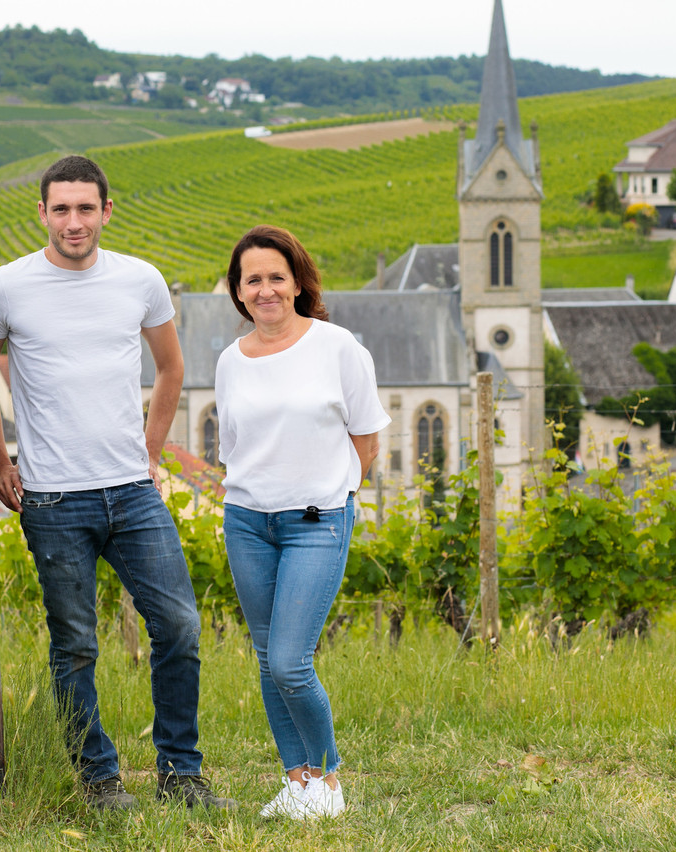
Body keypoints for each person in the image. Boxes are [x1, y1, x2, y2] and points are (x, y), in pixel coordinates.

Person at [0, 155, 233, 811]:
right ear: (40, 213)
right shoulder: (6, 287)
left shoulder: (140, 280)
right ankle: (98, 782)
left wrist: (149, 452)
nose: (73, 221)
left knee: (178, 626)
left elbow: (171, 370)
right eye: (60, 208)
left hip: (131, 493)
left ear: (105, 212)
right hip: (53, 499)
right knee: (75, 647)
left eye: (85, 208)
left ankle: (181, 775)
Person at [215, 225, 390, 820]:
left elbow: (365, 440)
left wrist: (329, 491)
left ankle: (330, 780)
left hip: (317, 521)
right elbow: (233, 447)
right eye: (252, 280)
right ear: (238, 292)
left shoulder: (338, 347)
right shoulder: (230, 362)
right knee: (267, 658)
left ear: (297, 282)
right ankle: (296, 781)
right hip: (246, 521)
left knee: (291, 660)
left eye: (275, 277)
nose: (265, 290)